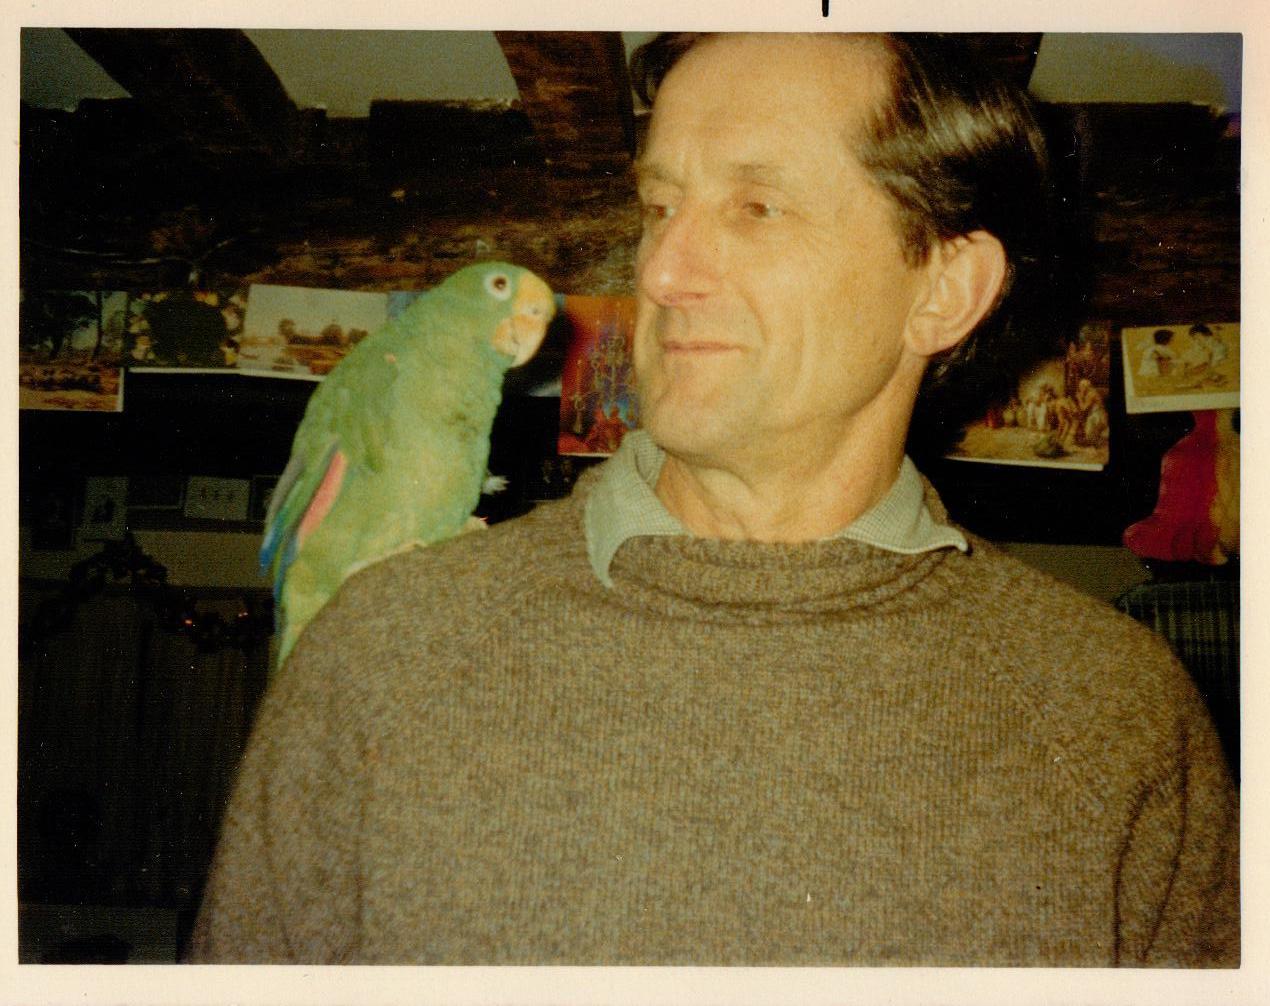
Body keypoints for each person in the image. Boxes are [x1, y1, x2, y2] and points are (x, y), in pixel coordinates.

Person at [189, 32, 1238, 966]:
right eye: (657, 206)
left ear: (942, 290)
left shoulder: (1116, 715)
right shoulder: (381, 647)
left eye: (755, 205)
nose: (661, 267)